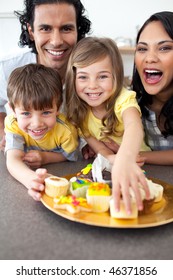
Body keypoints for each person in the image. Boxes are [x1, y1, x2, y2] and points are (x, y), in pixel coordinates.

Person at [65, 36, 150, 214]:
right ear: (73, 78)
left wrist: (124, 158)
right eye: (83, 77)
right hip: (115, 167)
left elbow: (134, 126)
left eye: (102, 76)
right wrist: (113, 159)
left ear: (116, 76)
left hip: (146, 167)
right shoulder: (80, 113)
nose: (92, 86)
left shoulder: (123, 99)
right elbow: (102, 151)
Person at [0, 0, 91, 151]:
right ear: (31, 31)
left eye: (66, 28)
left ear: (77, 30)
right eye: (45, 28)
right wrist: (3, 128)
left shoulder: (93, 69)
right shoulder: (6, 68)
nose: (56, 41)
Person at [5, 63, 79, 201]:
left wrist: (45, 157)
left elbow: (71, 157)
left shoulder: (66, 131)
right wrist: (31, 179)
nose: (37, 123)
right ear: (13, 110)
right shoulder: (13, 125)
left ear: (58, 108)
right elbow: (13, 159)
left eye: (46, 112)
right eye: (26, 113)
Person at [132, 11, 173, 165]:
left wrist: (136, 155)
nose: (150, 58)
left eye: (164, 48)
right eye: (142, 49)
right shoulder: (131, 104)